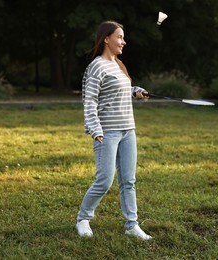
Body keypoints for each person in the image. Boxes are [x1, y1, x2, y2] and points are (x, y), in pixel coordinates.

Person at [76, 21, 152, 240]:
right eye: (119, 37)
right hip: (107, 132)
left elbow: (120, 91)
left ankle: (132, 225)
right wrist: (95, 128)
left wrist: (136, 90)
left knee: (129, 181)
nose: (123, 42)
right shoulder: (97, 66)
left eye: (123, 37)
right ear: (106, 39)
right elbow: (89, 100)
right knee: (104, 181)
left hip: (128, 130)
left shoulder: (118, 65)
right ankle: (83, 218)